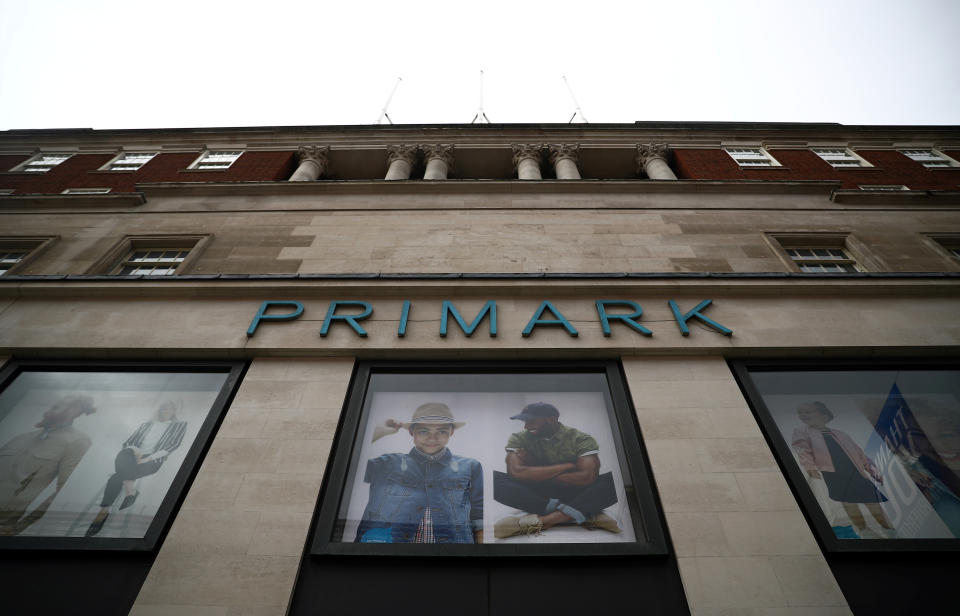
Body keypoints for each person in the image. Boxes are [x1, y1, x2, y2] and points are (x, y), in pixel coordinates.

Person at [355, 402, 483, 544]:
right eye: (424, 431)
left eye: (441, 431)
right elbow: (351, 463)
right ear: (412, 431)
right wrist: (378, 430)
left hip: (451, 555)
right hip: (388, 554)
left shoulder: (471, 467)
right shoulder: (385, 464)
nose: (432, 438)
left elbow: (478, 516)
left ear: (451, 432)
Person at [493, 401, 620, 539]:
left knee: (611, 483)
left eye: (531, 421)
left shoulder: (581, 439)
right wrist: (568, 466)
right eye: (525, 421)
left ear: (551, 419)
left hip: (574, 490)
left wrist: (533, 468)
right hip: (539, 493)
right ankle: (585, 513)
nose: (526, 426)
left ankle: (543, 521)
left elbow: (587, 477)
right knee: (496, 481)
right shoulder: (518, 438)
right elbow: (517, 472)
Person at [791, 401, 895, 539]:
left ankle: (888, 530)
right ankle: (864, 531)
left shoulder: (840, 434)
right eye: (800, 412)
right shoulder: (802, 431)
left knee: (872, 502)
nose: (803, 415)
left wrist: (872, 470)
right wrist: (809, 466)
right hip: (834, 473)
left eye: (808, 411)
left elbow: (860, 454)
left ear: (824, 415)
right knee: (849, 503)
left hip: (855, 472)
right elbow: (802, 449)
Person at [85, 399, 187, 537]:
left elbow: (172, 446)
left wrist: (146, 458)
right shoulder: (146, 424)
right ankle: (126, 495)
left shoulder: (178, 426)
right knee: (124, 454)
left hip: (153, 460)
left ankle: (104, 513)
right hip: (133, 457)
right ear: (159, 410)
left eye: (169, 409)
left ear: (174, 411)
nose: (165, 411)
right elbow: (129, 441)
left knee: (117, 476)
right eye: (163, 408)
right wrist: (136, 451)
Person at [0, 394, 97, 535]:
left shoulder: (77, 441)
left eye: (61, 404)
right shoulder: (21, 438)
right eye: (55, 404)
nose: (52, 407)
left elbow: (62, 493)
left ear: (75, 411)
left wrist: (18, 527)